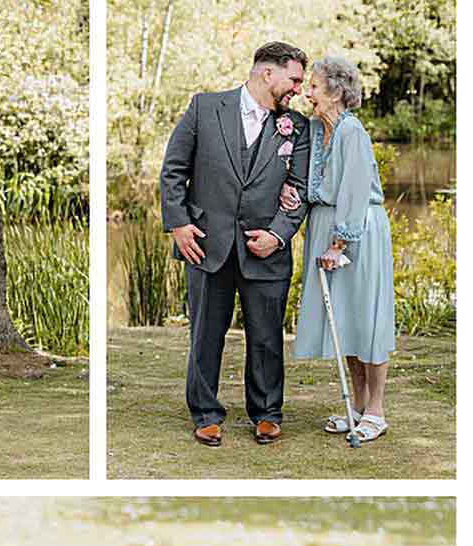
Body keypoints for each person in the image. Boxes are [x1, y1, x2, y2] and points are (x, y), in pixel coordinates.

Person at [158, 42, 313, 449]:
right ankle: (206, 413)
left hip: (267, 249)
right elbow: (173, 169)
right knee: (206, 333)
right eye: (294, 79)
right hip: (207, 245)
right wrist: (179, 223)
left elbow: (299, 189)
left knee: (266, 337)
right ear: (268, 74)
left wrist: (278, 234)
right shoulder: (204, 108)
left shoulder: (296, 128)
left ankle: (267, 412)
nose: (298, 88)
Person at [291, 54, 397, 443]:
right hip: (326, 228)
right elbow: (313, 184)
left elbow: (354, 191)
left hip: (356, 233)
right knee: (345, 322)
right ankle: (356, 405)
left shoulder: (353, 133)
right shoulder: (318, 132)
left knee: (367, 318)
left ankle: (376, 411)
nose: (308, 94)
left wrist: (339, 243)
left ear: (336, 92)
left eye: (314, 87)